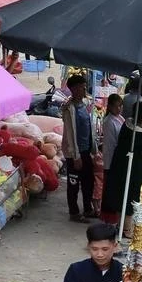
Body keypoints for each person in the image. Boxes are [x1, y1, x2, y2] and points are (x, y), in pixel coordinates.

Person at [100, 103, 142, 236]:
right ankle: (127, 229)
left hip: (119, 166)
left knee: (120, 195)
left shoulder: (126, 124)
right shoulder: (139, 134)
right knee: (130, 198)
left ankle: (120, 224)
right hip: (133, 170)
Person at [62, 75, 98, 222]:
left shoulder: (84, 105)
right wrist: (75, 156)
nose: (85, 89)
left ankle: (88, 209)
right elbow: (71, 135)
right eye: (82, 86)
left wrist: (93, 148)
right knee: (74, 183)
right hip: (74, 153)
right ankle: (74, 212)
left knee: (88, 182)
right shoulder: (69, 109)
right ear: (74, 89)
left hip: (85, 151)